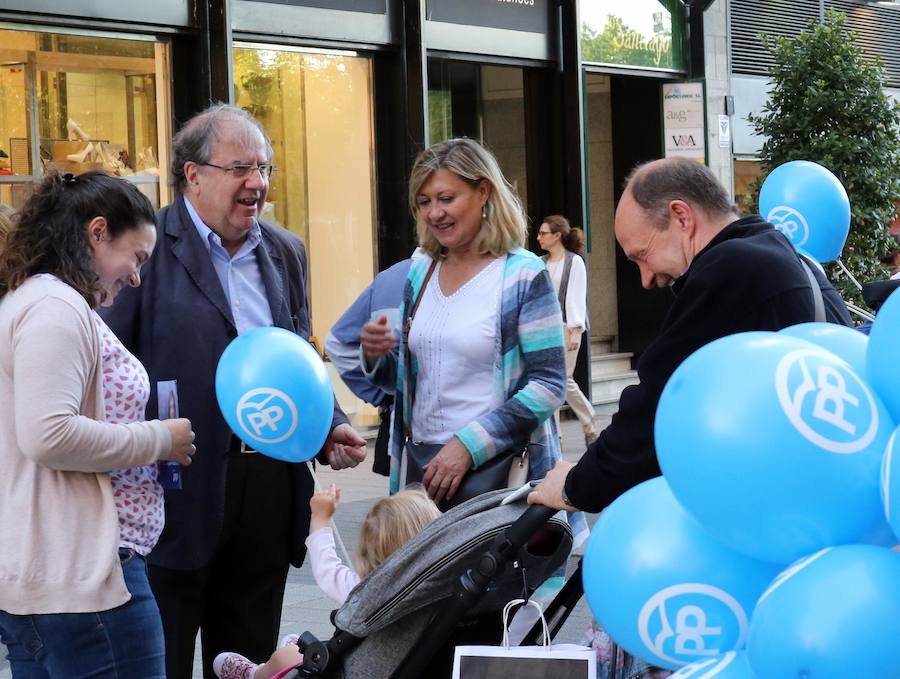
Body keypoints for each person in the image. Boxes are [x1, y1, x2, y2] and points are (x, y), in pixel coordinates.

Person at [101, 104, 368, 679]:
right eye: (242, 167)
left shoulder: (285, 250)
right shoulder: (146, 250)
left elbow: (299, 352)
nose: (258, 183)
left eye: (265, 168)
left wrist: (327, 425)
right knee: (161, 660)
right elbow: (106, 362)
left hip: (268, 489)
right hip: (174, 488)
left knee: (247, 661)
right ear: (192, 174)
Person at [528, 156, 851, 514]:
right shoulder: (790, 259)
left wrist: (574, 486)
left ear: (681, 217)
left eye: (643, 255)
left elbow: (657, 407)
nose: (646, 279)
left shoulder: (729, 270)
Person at [0, 170, 196, 678]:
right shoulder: (55, 308)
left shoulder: (37, 303)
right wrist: (160, 439)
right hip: (88, 581)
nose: (135, 277)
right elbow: (49, 435)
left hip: (62, 576)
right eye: (136, 257)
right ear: (98, 232)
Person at [359, 137, 573, 512]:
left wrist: (468, 446)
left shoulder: (523, 274)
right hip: (421, 472)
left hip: (498, 473)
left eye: (446, 198)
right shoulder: (421, 270)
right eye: (424, 202)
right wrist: (376, 357)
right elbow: (408, 386)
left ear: (483, 192)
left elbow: (549, 384)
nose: (434, 213)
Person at [212, 485, 441, 679]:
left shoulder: (368, 592)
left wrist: (321, 519)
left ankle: (256, 673)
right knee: (297, 643)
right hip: (404, 665)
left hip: (351, 666)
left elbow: (326, 568)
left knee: (286, 657)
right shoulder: (442, 589)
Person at [324, 255, 415, 476]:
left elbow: (337, 343)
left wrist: (387, 395)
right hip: (475, 446)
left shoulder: (390, 278)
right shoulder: (504, 272)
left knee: (411, 510)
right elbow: (338, 344)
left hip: (406, 441)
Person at [537, 215, 598, 446]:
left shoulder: (575, 262)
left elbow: (575, 297)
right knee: (549, 380)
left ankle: (588, 419)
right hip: (544, 330)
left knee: (563, 379)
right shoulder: (540, 262)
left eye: (543, 233)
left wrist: (575, 330)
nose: (539, 237)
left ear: (557, 236)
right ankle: (557, 434)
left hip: (567, 327)